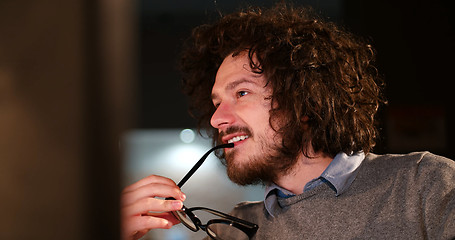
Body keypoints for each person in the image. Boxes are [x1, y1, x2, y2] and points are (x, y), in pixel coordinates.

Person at [121, 3, 455, 239]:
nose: (218, 119)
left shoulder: (425, 185)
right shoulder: (232, 231)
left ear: (304, 100)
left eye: (241, 94)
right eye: (216, 102)